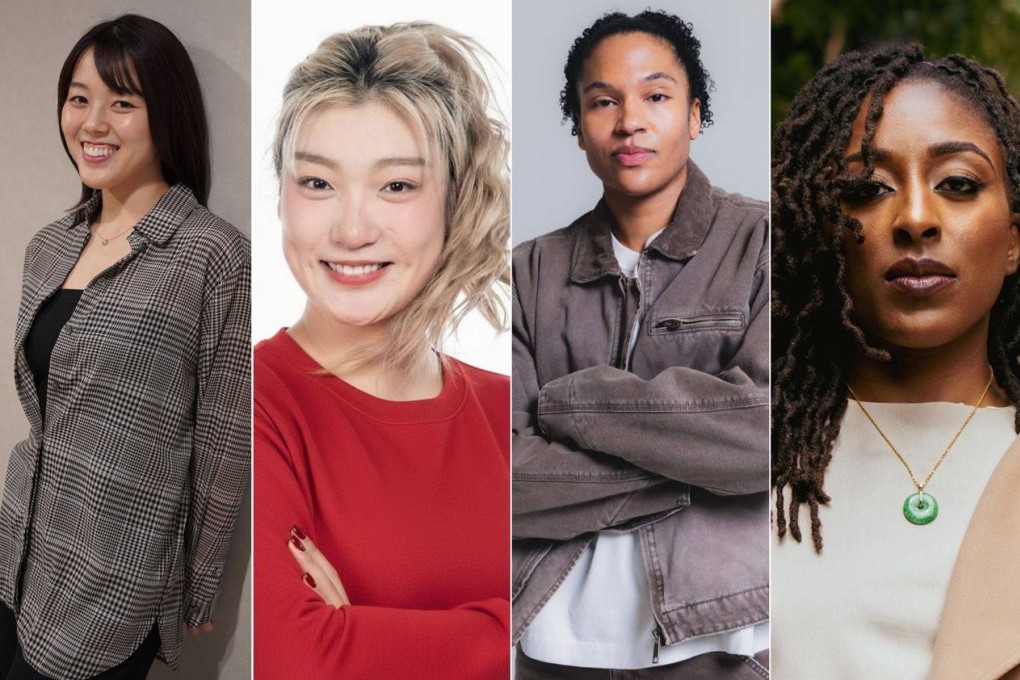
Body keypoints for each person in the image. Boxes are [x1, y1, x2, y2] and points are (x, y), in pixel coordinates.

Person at [512, 10, 769, 679]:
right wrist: (697, 468)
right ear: (578, 127)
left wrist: (574, 406)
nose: (630, 121)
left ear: (695, 115)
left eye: (656, 96)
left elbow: (771, 437)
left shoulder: (767, 245)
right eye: (604, 102)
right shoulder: (526, 272)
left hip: (720, 635)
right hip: (550, 641)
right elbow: (497, 478)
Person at [252, 22, 511, 679]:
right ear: (281, 196)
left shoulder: (515, 412)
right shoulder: (252, 401)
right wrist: (515, 626)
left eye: (397, 186)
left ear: (457, 201)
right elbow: (295, 659)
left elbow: (605, 633)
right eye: (317, 183)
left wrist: (359, 639)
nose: (352, 228)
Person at [0, 14, 250, 680]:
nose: (92, 122)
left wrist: (201, 581)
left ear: (163, 114)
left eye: (122, 102)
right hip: (20, 547)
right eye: (79, 98)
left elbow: (224, 442)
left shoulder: (212, 254)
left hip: (116, 578)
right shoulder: (48, 246)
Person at [771, 42, 1020, 680]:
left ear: (1014, 240)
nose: (915, 218)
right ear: (819, 227)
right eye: (868, 188)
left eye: (958, 185)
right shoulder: (755, 455)